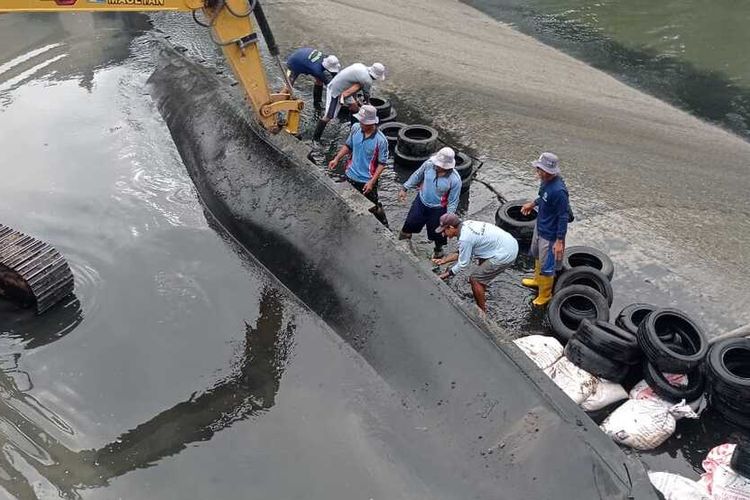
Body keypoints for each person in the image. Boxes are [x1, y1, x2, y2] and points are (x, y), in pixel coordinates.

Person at [432, 214, 519, 314]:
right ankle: (482, 287)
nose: (443, 234)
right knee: (480, 266)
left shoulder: (465, 238)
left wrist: (445, 275)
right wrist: (444, 260)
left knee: (475, 279)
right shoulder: (466, 224)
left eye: (444, 231)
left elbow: (463, 263)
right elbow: (462, 251)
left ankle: (482, 312)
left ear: (451, 227)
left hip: (506, 253)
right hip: (508, 242)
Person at [520, 152, 570, 307]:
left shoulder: (559, 191)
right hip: (540, 226)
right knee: (537, 256)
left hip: (550, 235)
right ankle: (537, 280)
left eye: (539, 169)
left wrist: (560, 241)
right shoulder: (545, 182)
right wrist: (533, 203)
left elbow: (563, 216)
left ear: (548, 172)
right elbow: (543, 197)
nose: (537, 171)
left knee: (546, 265)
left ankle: (545, 294)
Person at [328, 104, 390, 226]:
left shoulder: (381, 141)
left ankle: (384, 224)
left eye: (363, 122)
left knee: (372, 207)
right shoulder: (356, 128)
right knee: (345, 198)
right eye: (360, 121)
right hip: (350, 174)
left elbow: (382, 164)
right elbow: (348, 146)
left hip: (366, 181)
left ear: (371, 123)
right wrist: (336, 159)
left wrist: (371, 182)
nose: (360, 123)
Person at [398, 147, 462, 258]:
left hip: (438, 210)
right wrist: (405, 188)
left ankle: (438, 252)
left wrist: (448, 219)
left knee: (438, 235)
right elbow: (417, 175)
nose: (437, 166)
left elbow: (453, 201)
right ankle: (401, 249)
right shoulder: (428, 164)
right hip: (421, 202)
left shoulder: (455, 180)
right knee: (407, 227)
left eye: (440, 165)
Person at [312, 62, 386, 142]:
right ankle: (316, 139)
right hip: (336, 90)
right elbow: (366, 95)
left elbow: (353, 84)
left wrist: (356, 100)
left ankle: (354, 129)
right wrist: (368, 104)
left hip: (343, 87)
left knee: (354, 108)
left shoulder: (361, 66)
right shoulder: (367, 80)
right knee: (329, 116)